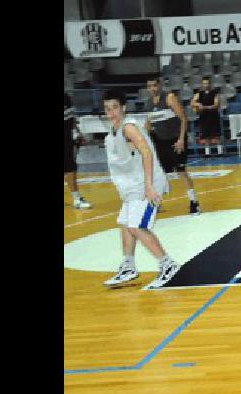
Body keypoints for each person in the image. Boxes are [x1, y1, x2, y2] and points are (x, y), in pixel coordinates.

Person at [99, 89, 181, 289]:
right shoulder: (114, 132)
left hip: (144, 186)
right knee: (126, 224)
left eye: (115, 108)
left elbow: (146, 152)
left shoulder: (129, 127)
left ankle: (167, 265)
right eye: (107, 109)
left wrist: (149, 185)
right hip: (132, 187)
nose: (111, 113)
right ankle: (128, 266)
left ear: (123, 108)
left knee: (137, 227)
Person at [146, 77, 202, 215]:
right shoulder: (148, 103)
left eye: (154, 85)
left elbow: (183, 118)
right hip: (159, 141)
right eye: (149, 86)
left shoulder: (169, 97)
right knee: (158, 173)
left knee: (181, 171)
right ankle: (156, 203)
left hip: (175, 140)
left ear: (159, 85)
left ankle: (194, 203)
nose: (152, 88)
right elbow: (148, 124)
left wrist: (181, 139)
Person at [65, 92, 91, 209]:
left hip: (67, 139)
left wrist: (78, 133)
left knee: (70, 167)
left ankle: (76, 199)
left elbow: (72, 119)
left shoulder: (66, 98)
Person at [189, 76, 223, 156]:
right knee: (206, 136)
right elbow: (192, 103)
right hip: (204, 117)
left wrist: (205, 107)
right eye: (204, 83)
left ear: (209, 84)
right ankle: (207, 153)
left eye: (207, 83)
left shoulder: (214, 93)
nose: (206, 85)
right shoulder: (199, 94)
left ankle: (220, 152)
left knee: (217, 135)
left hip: (213, 116)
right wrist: (198, 104)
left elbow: (216, 104)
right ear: (202, 84)